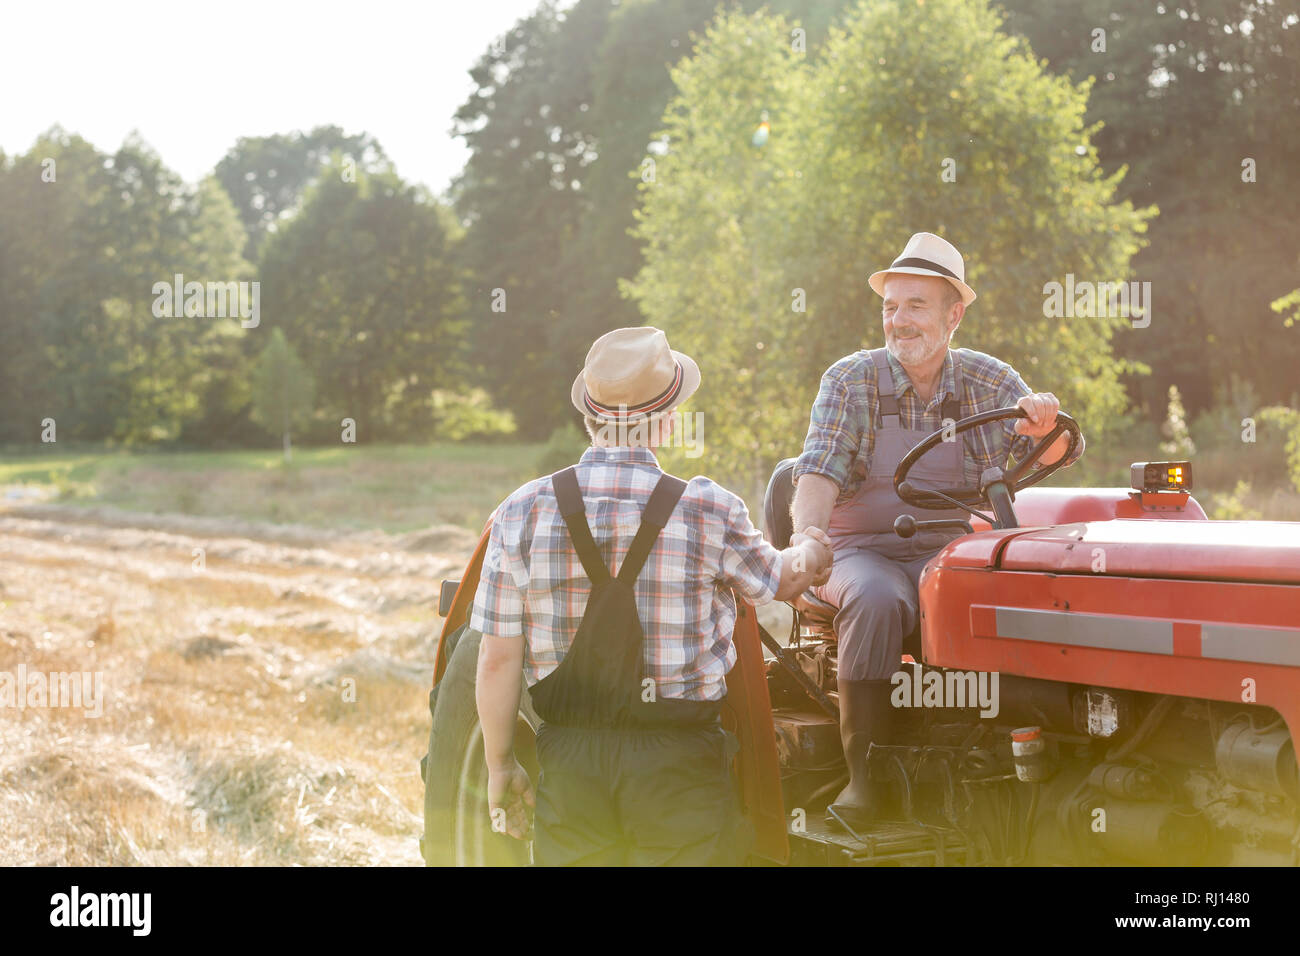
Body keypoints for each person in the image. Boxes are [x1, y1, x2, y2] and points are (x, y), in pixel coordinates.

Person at [472, 326, 833, 865]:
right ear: (665, 421)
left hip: (570, 760)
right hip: (678, 764)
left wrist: (501, 765)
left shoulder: (521, 511)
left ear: (590, 416)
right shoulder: (707, 509)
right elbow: (780, 580)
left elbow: (497, 659)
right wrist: (812, 548)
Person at [790, 232, 1085, 830]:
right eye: (889, 307)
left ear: (954, 313)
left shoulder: (987, 378)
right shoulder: (851, 381)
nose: (898, 321)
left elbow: (1056, 448)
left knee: (1002, 586)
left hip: (946, 550)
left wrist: (1043, 423)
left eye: (914, 306)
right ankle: (865, 781)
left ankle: (1015, 755)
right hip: (858, 552)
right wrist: (808, 539)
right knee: (875, 600)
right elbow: (818, 469)